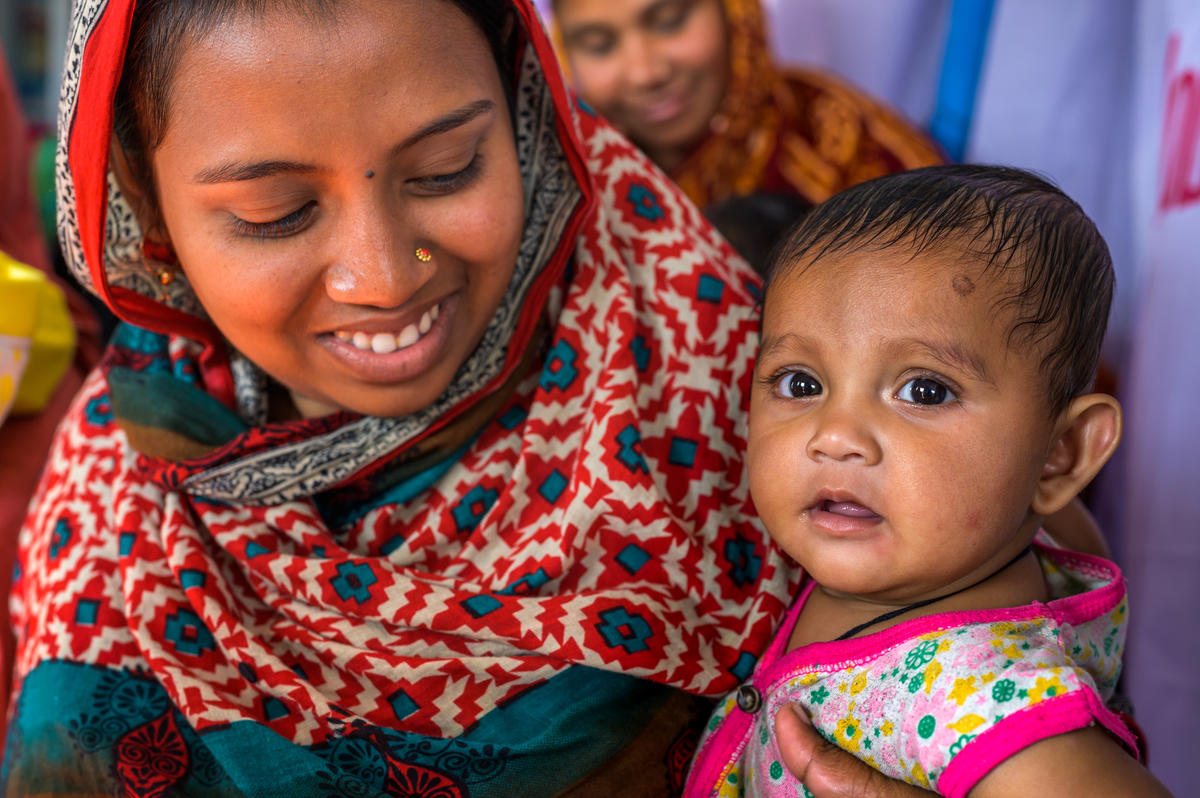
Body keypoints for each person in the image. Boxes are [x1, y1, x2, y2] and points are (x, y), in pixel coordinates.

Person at [2, 0, 944, 795]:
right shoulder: (115, 545)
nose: (382, 277)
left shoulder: (709, 354)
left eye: (447, 166)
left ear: (526, 109)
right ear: (146, 206)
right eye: (274, 212)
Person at [684, 165, 1174, 797]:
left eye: (923, 390)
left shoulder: (980, 705)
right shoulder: (966, 543)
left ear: (1062, 453)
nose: (835, 436)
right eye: (801, 384)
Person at [548, 0, 943, 210]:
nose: (645, 72)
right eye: (599, 44)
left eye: (669, 20)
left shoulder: (840, 146)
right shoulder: (565, 188)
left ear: (734, 11)